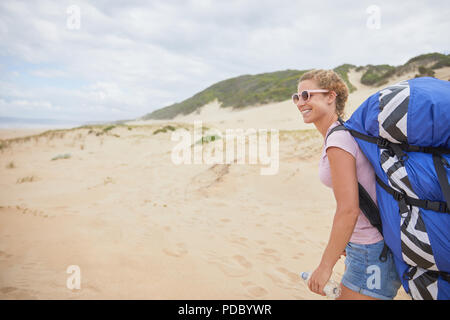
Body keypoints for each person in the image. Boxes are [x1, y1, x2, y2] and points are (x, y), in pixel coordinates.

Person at [294, 69, 401, 300]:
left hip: (371, 250)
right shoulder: (339, 135)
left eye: (306, 95)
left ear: (330, 97)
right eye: (297, 97)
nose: (300, 102)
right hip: (361, 245)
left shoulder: (338, 141)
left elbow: (349, 210)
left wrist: (325, 266)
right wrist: (344, 240)